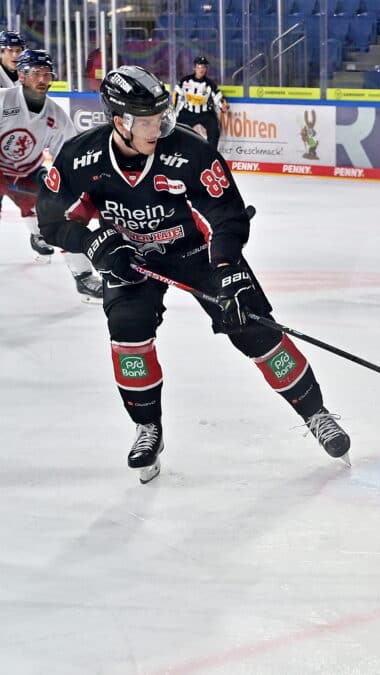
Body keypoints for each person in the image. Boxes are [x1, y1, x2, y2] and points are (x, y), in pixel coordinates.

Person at [37, 66, 351, 484]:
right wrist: (97, 244)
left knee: (255, 328)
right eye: (147, 122)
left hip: (199, 254)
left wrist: (228, 271)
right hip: (131, 259)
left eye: (161, 117)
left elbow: (227, 217)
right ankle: (147, 427)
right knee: (128, 333)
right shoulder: (81, 156)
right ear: (120, 122)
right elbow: (51, 220)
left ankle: (317, 414)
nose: (158, 128)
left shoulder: (190, 151)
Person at [0, 50, 102, 301]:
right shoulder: (3, 101)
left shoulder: (56, 114)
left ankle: (83, 276)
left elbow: (67, 158)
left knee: (63, 213)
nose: (43, 79)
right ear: (21, 75)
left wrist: (65, 190)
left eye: (47, 74)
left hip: (30, 171)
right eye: (36, 73)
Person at [174, 56, 229, 148]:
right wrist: (174, 111)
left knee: (214, 131)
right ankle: (176, 152)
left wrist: (223, 106)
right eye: (199, 67)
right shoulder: (185, 81)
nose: (201, 69)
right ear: (194, 68)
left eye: (203, 67)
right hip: (188, 112)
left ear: (206, 69)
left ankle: (211, 155)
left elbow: (218, 97)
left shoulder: (210, 84)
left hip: (205, 113)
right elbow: (176, 94)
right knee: (176, 130)